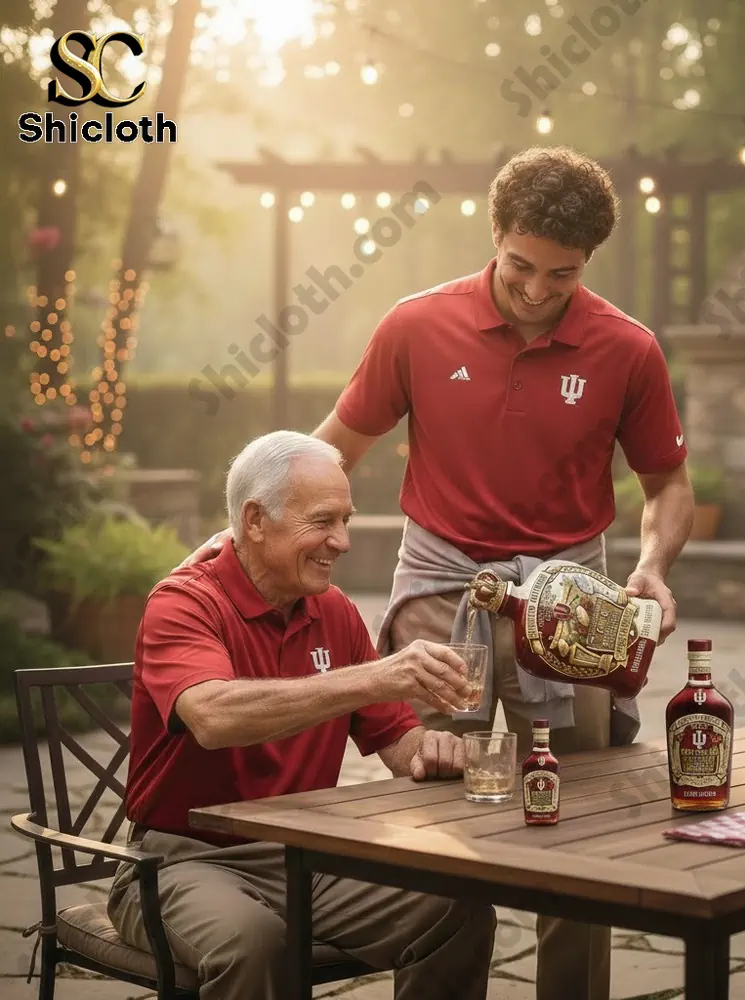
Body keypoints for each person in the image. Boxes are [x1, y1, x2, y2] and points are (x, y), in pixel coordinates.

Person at [183, 146, 694, 1000]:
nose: (535, 291)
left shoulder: (627, 348)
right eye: (520, 266)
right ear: (494, 235)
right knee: (430, 808)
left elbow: (668, 483)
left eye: (560, 275)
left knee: (582, 825)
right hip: (441, 589)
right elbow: (330, 449)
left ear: (589, 262)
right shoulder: (417, 326)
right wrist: (236, 533)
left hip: (573, 605)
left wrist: (652, 566)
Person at [110, 430, 497, 1000]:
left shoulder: (333, 611)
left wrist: (435, 751)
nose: (341, 541)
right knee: (255, 943)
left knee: (456, 909)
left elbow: (398, 743)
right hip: (179, 863)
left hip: (303, 859)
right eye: (323, 521)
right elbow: (213, 717)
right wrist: (377, 674)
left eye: (346, 519)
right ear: (255, 519)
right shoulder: (184, 602)